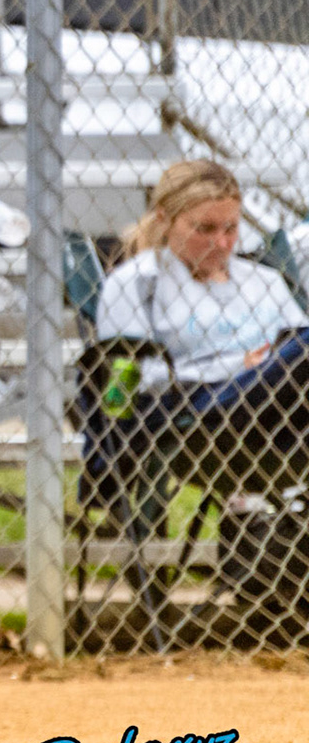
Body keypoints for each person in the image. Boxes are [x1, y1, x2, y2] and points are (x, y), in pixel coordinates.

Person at [96, 160, 309, 494]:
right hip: (200, 410)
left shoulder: (262, 280)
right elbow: (131, 378)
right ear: (165, 219)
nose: (222, 243)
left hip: (285, 411)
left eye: (231, 228)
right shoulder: (138, 281)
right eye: (204, 229)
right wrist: (240, 365)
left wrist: (274, 364)